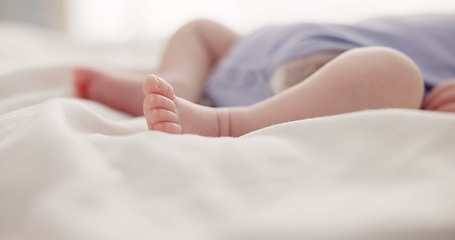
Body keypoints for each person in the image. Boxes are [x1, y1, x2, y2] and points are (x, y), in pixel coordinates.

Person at [73, 14, 455, 137]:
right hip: (268, 51)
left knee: (393, 73)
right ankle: (180, 85)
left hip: (330, 69)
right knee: (200, 30)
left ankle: (224, 122)